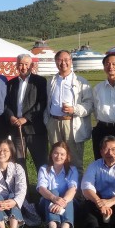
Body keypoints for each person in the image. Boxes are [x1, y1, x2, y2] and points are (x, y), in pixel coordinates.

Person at [44, 50, 93, 179]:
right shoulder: (51, 81)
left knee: (75, 160)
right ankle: (57, 189)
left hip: (72, 123)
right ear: (55, 62)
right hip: (54, 123)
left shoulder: (82, 82)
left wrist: (74, 109)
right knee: (55, 158)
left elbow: (89, 104)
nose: (63, 63)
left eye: (66, 60)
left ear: (71, 61)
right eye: (60, 60)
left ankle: (77, 195)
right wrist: (47, 122)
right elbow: (46, 103)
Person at [4, 53, 48, 173]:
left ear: (32, 65)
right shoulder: (11, 83)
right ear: (16, 66)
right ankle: (23, 191)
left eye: (26, 64)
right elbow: (6, 103)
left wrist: (26, 118)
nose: (23, 67)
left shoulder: (40, 81)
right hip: (17, 129)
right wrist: (11, 116)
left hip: (35, 129)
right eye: (20, 64)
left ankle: (43, 190)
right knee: (19, 163)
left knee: (41, 162)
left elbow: (42, 103)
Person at [36, 142, 78, 228]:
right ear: (51, 154)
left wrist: (62, 201)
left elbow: (73, 189)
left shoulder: (72, 170)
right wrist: (54, 198)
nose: (58, 156)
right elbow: (41, 188)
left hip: (67, 204)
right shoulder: (44, 169)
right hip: (47, 203)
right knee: (52, 191)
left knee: (69, 197)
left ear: (67, 156)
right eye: (56, 153)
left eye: (62, 154)